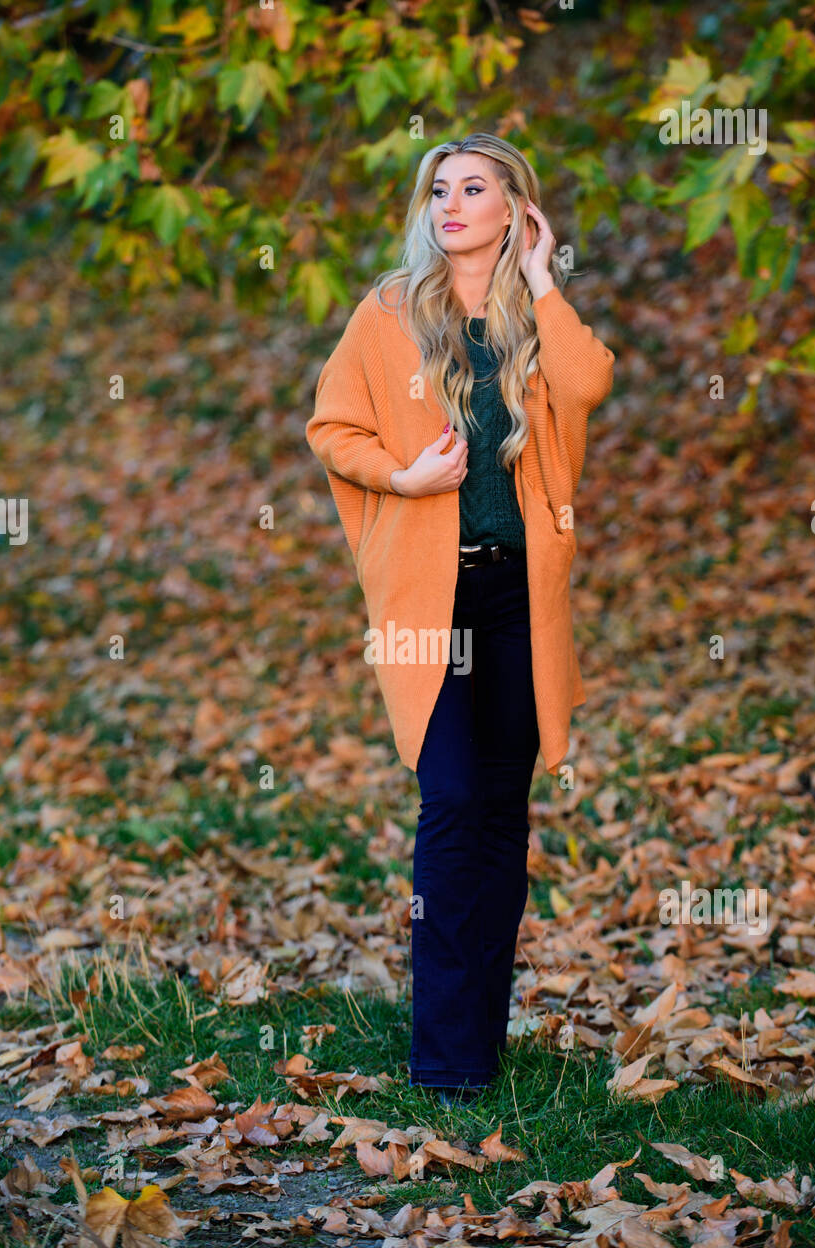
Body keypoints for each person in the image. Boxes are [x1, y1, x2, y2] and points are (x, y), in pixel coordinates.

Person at [306, 133, 615, 1105]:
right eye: (437, 188)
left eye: (472, 187)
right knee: (448, 809)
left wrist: (541, 274)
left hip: (517, 602)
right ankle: (441, 1060)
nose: (449, 203)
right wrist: (402, 477)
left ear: (514, 207)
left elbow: (589, 383)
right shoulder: (389, 312)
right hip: (431, 605)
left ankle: (482, 1040)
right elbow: (331, 426)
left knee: (498, 819)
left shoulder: (535, 316)